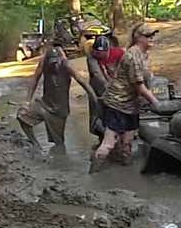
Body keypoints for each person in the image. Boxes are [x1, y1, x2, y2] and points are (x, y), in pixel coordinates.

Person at [92, 23, 161, 171]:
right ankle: (93, 175)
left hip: (131, 105)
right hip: (118, 104)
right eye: (148, 36)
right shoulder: (133, 56)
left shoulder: (144, 54)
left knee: (128, 142)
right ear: (138, 38)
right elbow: (138, 86)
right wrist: (155, 102)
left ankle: (127, 173)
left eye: (153, 35)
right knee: (109, 143)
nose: (152, 38)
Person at [19, 43, 96, 152]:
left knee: (58, 143)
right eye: (52, 63)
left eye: (56, 63)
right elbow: (34, 80)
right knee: (22, 116)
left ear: (60, 59)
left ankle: (59, 161)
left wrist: (94, 99)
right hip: (44, 104)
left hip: (60, 110)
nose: (54, 66)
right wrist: (27, 101)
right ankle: (36, 145)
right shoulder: (43, 63)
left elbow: (82, 82)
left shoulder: (66, 65)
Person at [86, 35, 125, 139]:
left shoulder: (119, 53)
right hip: (98, 87)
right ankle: (101, 135)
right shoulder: (91, 57)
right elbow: (97, 73)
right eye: (95, 52)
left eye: (100, 53)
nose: (97, 54)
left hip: (117, 84)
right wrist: (109, 88)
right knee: (97, 112)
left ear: (107, 50)